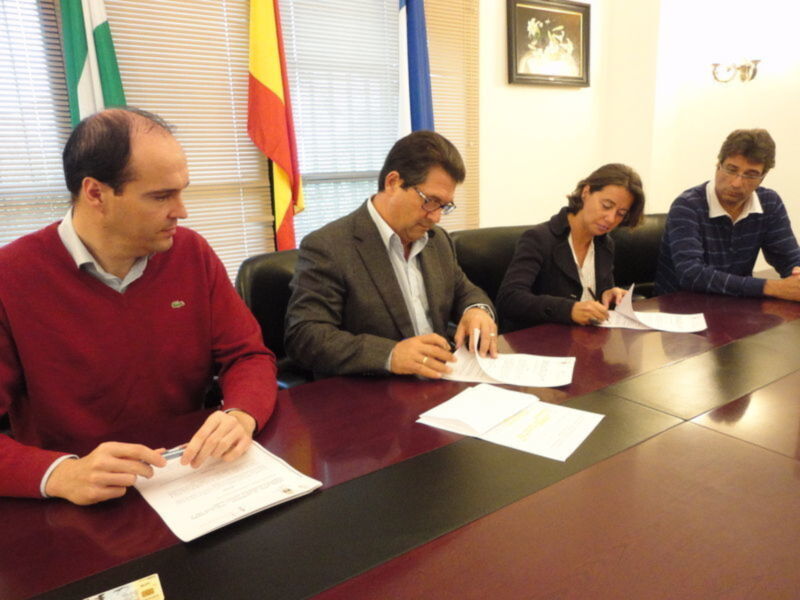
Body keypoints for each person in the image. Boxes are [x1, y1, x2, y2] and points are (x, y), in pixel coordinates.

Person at [0, 108, 277, 504]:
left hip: (187, 475)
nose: (182, 211)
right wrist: (58, 474)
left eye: (181, 191)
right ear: (95, 193)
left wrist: (241, 414)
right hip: (80, 497)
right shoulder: (12, 276)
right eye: (161, 196)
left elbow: (247, 355)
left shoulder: (190, 253)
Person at [285, 130, 497, 379]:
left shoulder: (437, 240)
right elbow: (305, 335)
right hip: (374, 389)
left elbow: (465, 291)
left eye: (444, 206)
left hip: (440, 380)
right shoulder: (329, 246)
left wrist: (477, 310)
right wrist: (389, 354)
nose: (436, 217)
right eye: (430, 201)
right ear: (393, 183)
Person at [496, 163, 645, 331]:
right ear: (586, 192)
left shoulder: (604, 244)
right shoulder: (539, 239)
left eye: (621, 213)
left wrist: (607, 294)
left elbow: (596, 296)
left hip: (587, 338)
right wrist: (569, 310)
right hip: (543, 339)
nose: (611, 219)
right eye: (606, 205)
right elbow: (509, 299)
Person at [655, 128, 800, 299]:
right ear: (718, 166)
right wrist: (770, 287)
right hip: (681, 307)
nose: (737, 183)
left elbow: (789, 258)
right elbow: (692, 275)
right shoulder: (687, 205)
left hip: (738, 306)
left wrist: (797, 275)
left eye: (751, 175)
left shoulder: (769, 203)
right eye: (731, 170)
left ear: (762, 177)